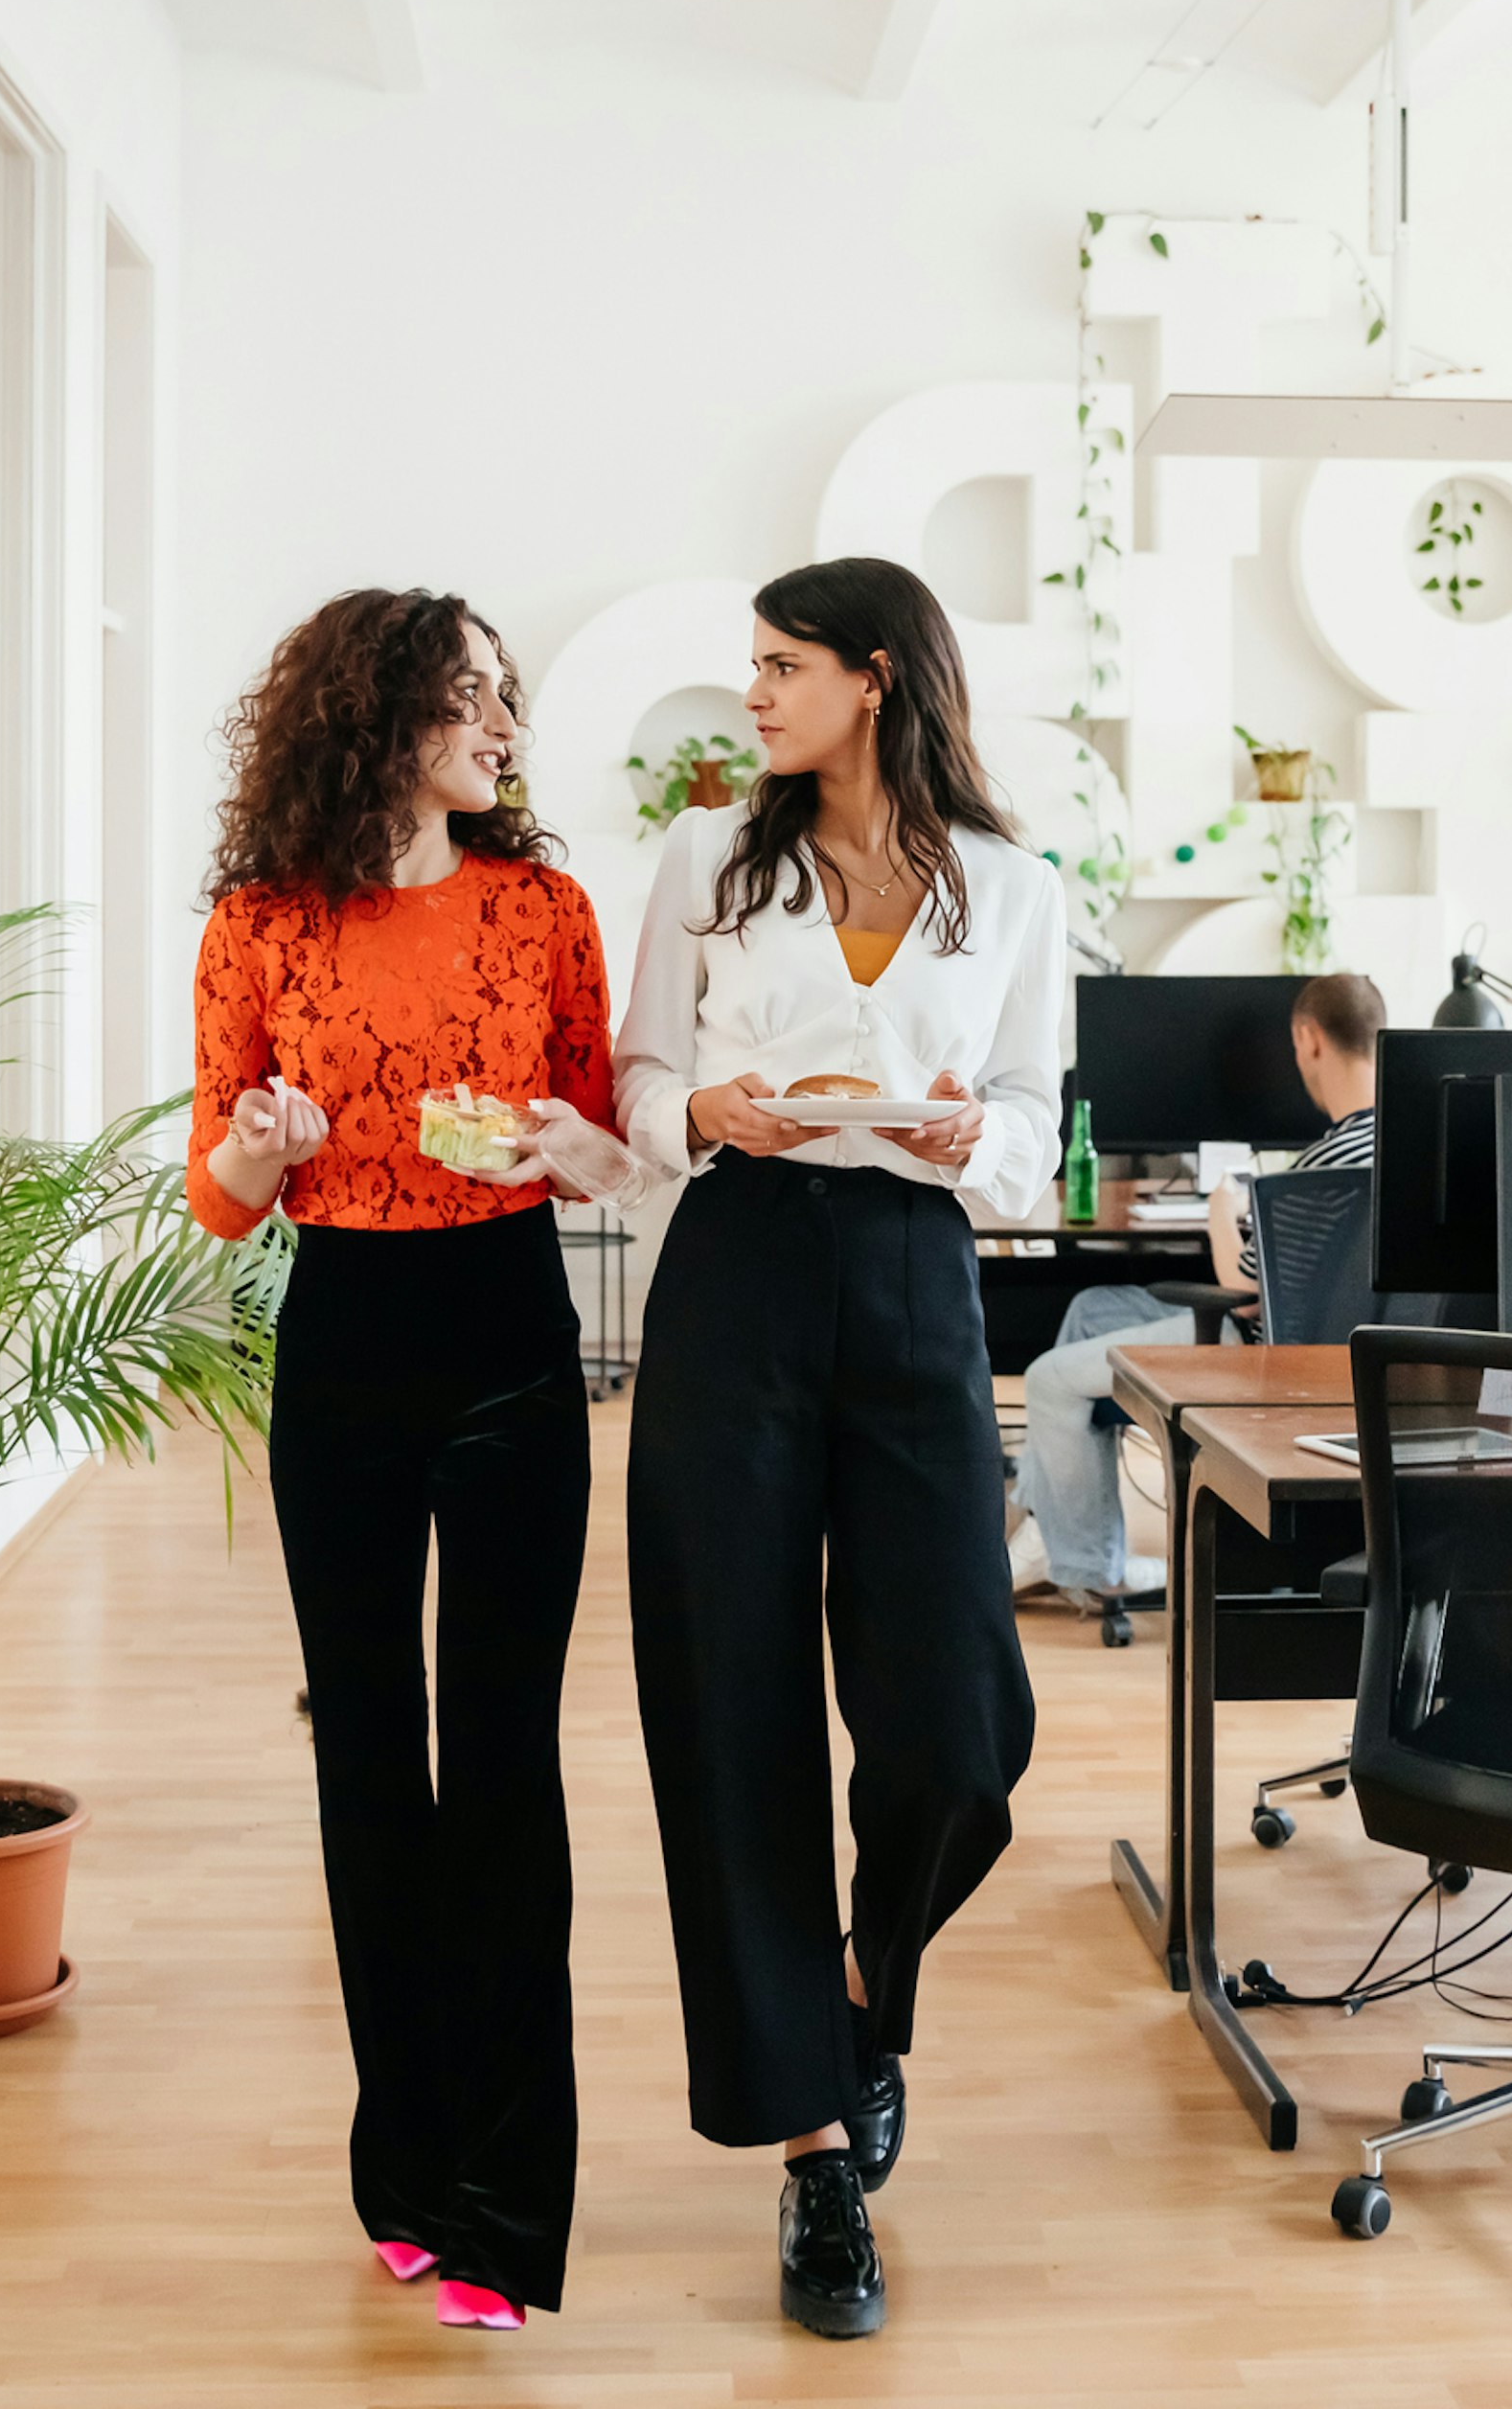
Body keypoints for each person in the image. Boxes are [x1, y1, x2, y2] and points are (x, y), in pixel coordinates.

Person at [610, 558, 1060, 2342]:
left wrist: (971, 1145)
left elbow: (1033, 1115)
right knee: (729, 1708)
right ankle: (815, 2157)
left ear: (876, 681)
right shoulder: (711, 863)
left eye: (782, 668)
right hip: (738, 1271)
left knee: (960, 1725)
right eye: (751, 667)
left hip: (913, 1269)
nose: (756, 698)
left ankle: (867, 1985)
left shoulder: (1012, 888)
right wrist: (698, 1110)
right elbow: (642, 1083)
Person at [187, 588, 613, 2336]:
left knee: (503, 1765)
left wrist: (565, 1140)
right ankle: (407, 2170)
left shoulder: (546, 912)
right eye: (468, 700)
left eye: (507, 700)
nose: (502, 728)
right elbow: (216, 1202)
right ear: (375, 720)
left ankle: (512, 2207)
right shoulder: (258, 922)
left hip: (512, 1336)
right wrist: (263, 1145)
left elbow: (599, 1154)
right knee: (370, 1759)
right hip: (345, 1344)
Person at [1010, 973, 1383, 1607]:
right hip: (1349, 1354)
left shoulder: (1323, 1162)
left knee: (1047, 1379)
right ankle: (1059, 1529)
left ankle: (1091, 1571)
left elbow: (1242, 1289)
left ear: (1308, 1039)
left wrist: (1222, 1208)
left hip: (1261, 1353)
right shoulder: (1394, 1145)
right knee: (1091, 1308)